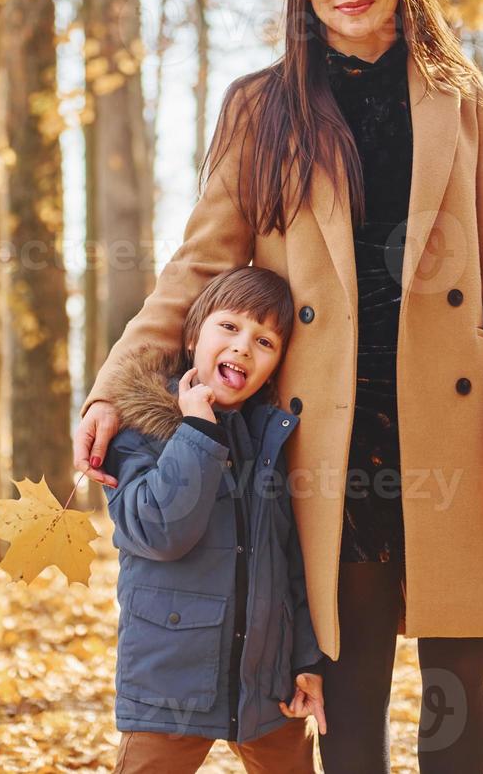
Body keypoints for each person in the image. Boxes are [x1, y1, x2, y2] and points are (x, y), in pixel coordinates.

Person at [78, 0, 483, 774]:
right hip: (323, 443)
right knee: (346, 708)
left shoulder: (459, 97)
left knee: (458, 702)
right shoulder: (264, 109)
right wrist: (120, 380)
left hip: (450, 431)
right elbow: (198, 265)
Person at [100, 266, 329, 774]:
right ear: (191, 336)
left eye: (264, 341)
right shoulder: (138, 429)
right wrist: (197, 433)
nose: (243, 346)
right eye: (229, 327)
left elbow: (289, 562)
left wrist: (306, 662)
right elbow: (159, 531)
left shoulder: (269, 440)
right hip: (170, 684)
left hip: (267, 687)